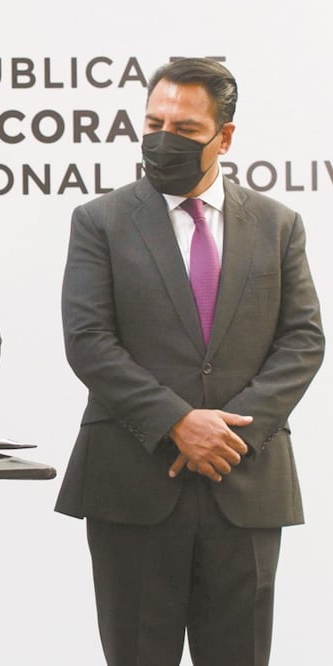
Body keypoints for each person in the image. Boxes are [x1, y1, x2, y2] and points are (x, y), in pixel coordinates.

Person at [56, 57, 324, 666]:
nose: (163, 139)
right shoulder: (100, 221)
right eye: (154, 124)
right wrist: (177, 421)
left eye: (184, 129)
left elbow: (303, 339)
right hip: (134, 483)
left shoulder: (279, 225)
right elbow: (89, 339)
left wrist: (230, 433)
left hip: (244, 482)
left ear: (224, 137)